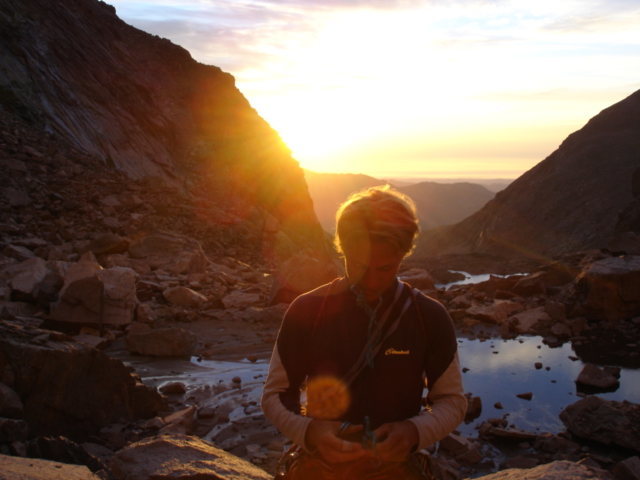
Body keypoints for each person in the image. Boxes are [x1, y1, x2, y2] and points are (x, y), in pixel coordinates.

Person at [261, 185, 466, 479]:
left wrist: (413, 432)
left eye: (384, 268)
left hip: (396, 466)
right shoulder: (306, 310)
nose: (370, 280)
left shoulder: (429, 317)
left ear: (404, 254)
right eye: (358, 265)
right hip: (321, 464)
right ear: (341, 247)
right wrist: (310, 432)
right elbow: (276, 394)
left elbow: (452, 400)